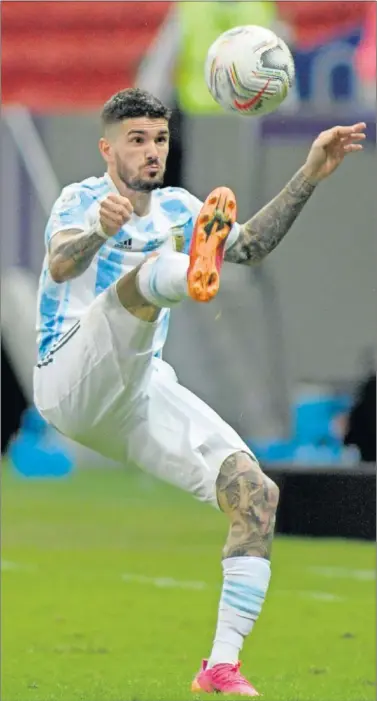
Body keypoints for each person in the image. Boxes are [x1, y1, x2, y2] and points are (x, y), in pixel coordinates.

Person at [33, 88, 365, 696]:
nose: (152, 151)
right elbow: (59, 265)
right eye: (137, 140)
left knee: (256, 493)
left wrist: (310, 172)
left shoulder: (182, 208)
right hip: (69, 375)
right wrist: (95, 235)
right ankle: (185, 275)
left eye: (159, 139)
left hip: (136, 392)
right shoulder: (82, 200)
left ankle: (220, 668)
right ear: (107, 148)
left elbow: (253, 247)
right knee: (142, 282)